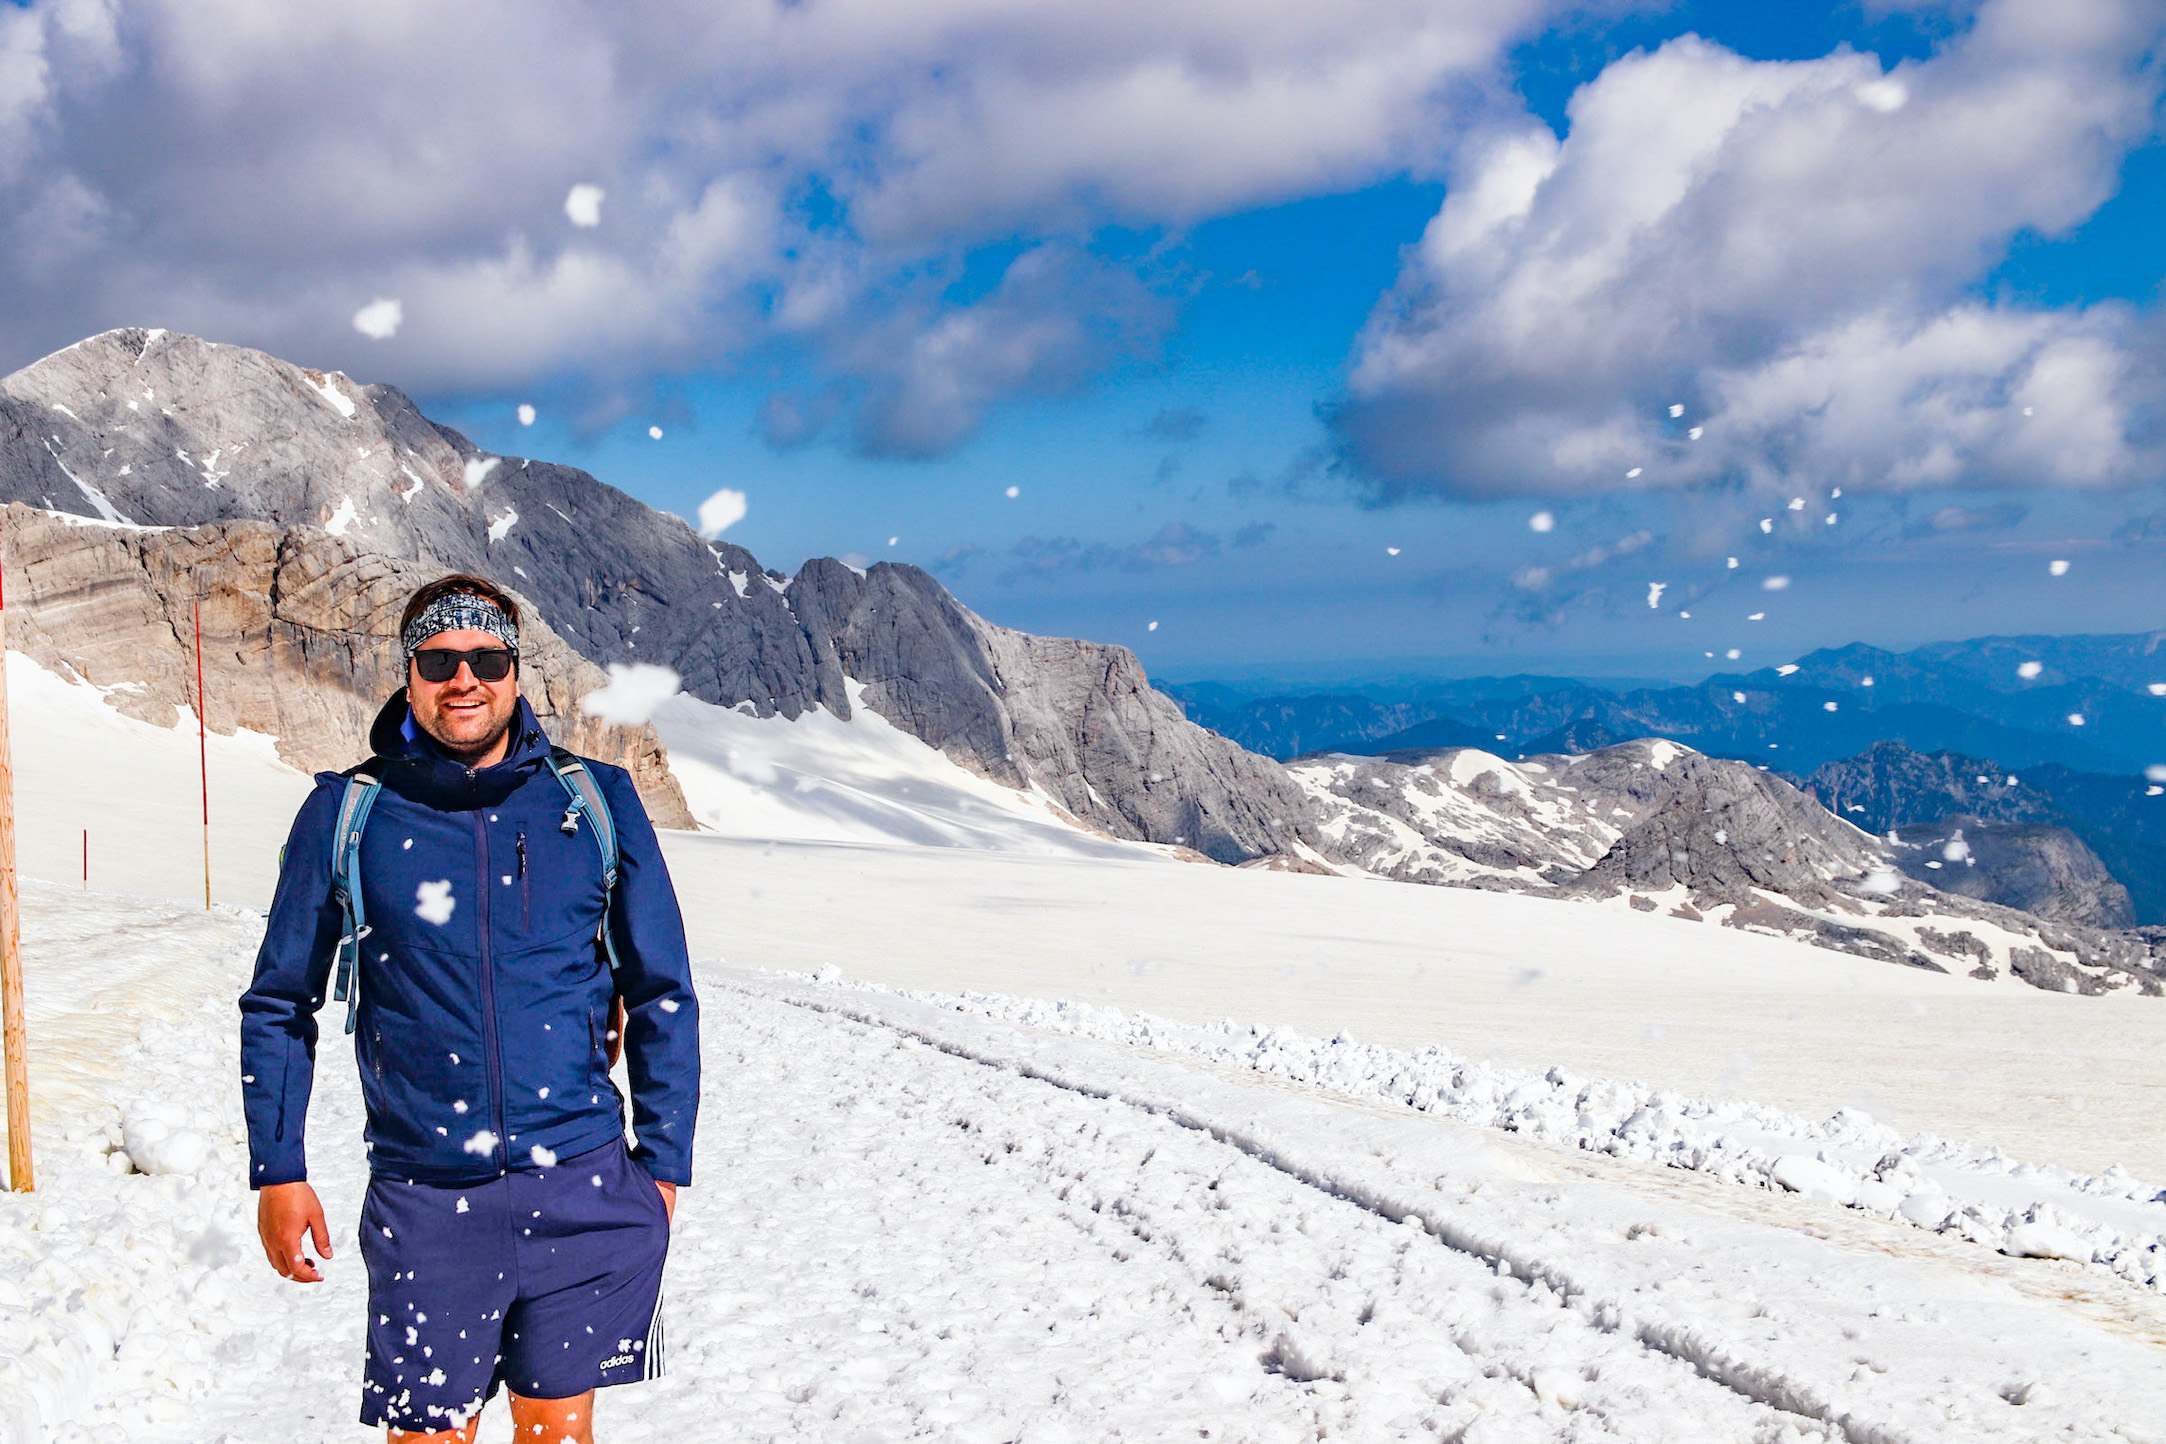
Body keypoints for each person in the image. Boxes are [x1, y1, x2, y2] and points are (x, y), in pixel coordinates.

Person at [239, 573, 700, 1442]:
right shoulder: (348, 812)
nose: (465, 679)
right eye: (440, 659)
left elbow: (663, 990)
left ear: (515, 671)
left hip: (583, 1183)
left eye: (487, 658)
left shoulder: (593, 800)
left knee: (559, 1432)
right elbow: (277, 1002)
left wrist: (665, 1163)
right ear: (408, 674)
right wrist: (278, 1169)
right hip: (427, 1197)